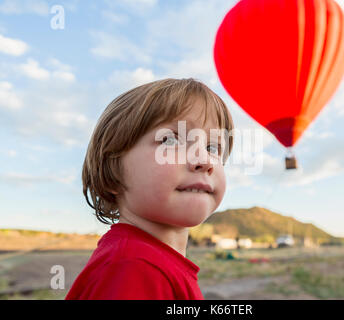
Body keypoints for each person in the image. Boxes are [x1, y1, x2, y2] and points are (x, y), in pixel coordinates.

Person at [65, 78, 234, 300]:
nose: (204, 159)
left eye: (212, 147)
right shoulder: (133, 268)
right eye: (170, 141)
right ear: (113, 173)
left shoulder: (148, 263)